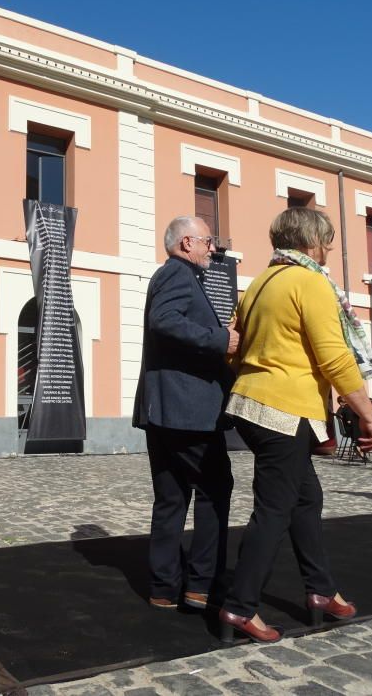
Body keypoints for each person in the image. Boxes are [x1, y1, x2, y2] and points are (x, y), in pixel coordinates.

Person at [218, 207, 372, 643]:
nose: (329, 248)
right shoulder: (309, 282)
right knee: (274, 510)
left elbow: (232, 350)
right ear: (311, 242)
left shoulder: (257, 284)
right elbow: (333, 356)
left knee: (306, 499)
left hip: (252, 404)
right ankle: (239, 608)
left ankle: (321, 590)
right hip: (284, 411)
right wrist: (367, 414)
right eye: (327, 240)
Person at [133, 216, 239, 611]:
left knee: (171, 499)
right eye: (208, 241)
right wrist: (220, 339)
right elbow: (164, 321)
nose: (213, 248)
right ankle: (201, 584)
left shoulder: (173, 275)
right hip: (186, 411)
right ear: (186, 244)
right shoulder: (177, 274)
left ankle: (164, 589)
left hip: (166, 409)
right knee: (215, 488)